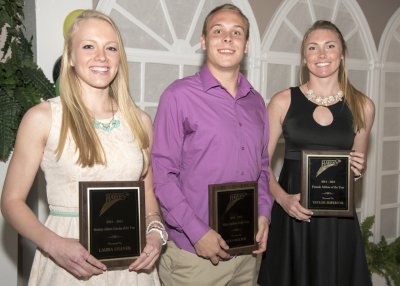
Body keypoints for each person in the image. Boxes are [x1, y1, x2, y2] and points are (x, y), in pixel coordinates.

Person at [1, 10, 165, 285]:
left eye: (110, 48)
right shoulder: (43, 118)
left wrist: (156, 234)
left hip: (132, 268)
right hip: (68, 263)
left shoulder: (140, 121)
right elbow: (11, 201)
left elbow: (148, 196)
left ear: (119, 59)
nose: (101, 56)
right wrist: (53, 245)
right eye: (89, 46)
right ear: (71, 56)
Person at [151, 3, 272, 286]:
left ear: (247, 44)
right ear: (204, 41)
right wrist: (197, 232)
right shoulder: (178, 96)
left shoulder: (256, 102)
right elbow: (162, 175)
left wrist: (264, 214)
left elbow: (263, 169)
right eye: (218, 31)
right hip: (195, 257)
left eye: (236, 32)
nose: (227, 38)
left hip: (247, 251)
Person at [257, 20, 375, 286]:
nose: (322, 55)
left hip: (337, 223)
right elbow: (260, 163)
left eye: (330, 46)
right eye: (313, 47)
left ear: (342, 54)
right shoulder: (282, 101)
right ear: (304, 57)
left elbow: (356, 170)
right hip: (291, 217)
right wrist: (284, 200)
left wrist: (357, 171)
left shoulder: (363, 106)